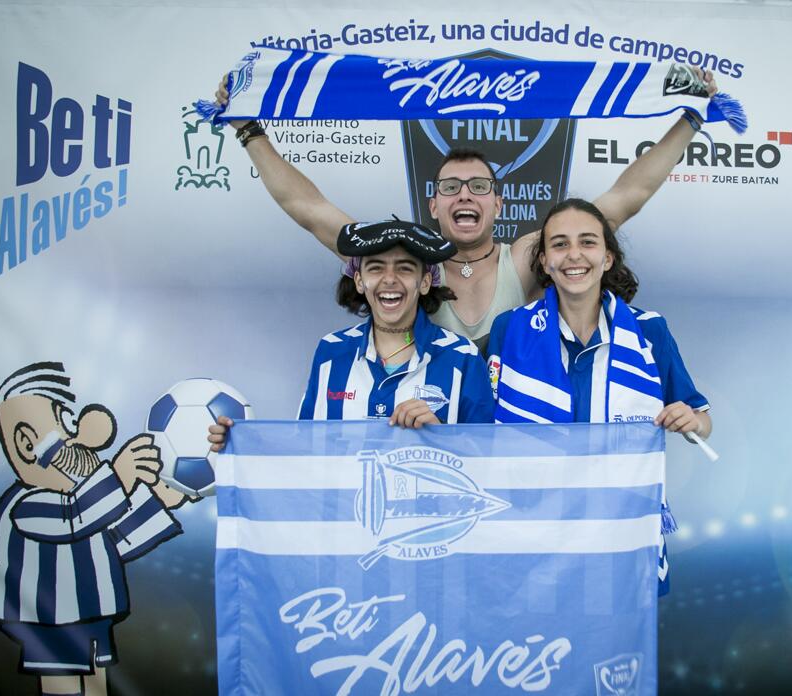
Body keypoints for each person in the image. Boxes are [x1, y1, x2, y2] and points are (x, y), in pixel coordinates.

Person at [213, 70, 717, 349]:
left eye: (479, 186)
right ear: (433, 204)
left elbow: (625, 198)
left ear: (499, 202)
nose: (465, 196)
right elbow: (307, 208)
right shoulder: (406, 257)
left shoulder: (528, 256)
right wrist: (249, 131)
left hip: (517, 431)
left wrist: (690, 121)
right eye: (451, 187)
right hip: (426, 433)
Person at [484, 198, 711, 593]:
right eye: (559, 244)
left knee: (613, 644)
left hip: (620, 530)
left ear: (607, 258)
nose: (574, 255)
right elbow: (484, 426)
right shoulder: (510, 329)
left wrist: (691, 422)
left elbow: (702, 422)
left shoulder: (649, 332)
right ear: (544, 262)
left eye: (587, 242)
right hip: (534, 533)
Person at [209, 219, 494, 450]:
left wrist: (441, 437)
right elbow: (304, 448)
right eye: (376, 268)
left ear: (425, 282)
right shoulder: (331, 350)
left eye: (405, 268)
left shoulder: (463, 356)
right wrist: (240, 445)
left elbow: (491, 457)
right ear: (359, 281)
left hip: (430, 519)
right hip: (340, 520)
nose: (390, 279)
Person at [0, 362, 188, 696]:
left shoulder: (81, 503)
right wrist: (121, 476)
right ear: (27, 443)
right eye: (67, 425)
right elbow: (75, 517)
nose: (83, 438)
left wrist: (158, 501)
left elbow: (113, 540)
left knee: (97, 682)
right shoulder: (27, 505)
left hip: (91, 617)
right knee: (64, 685)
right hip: (51, 623)